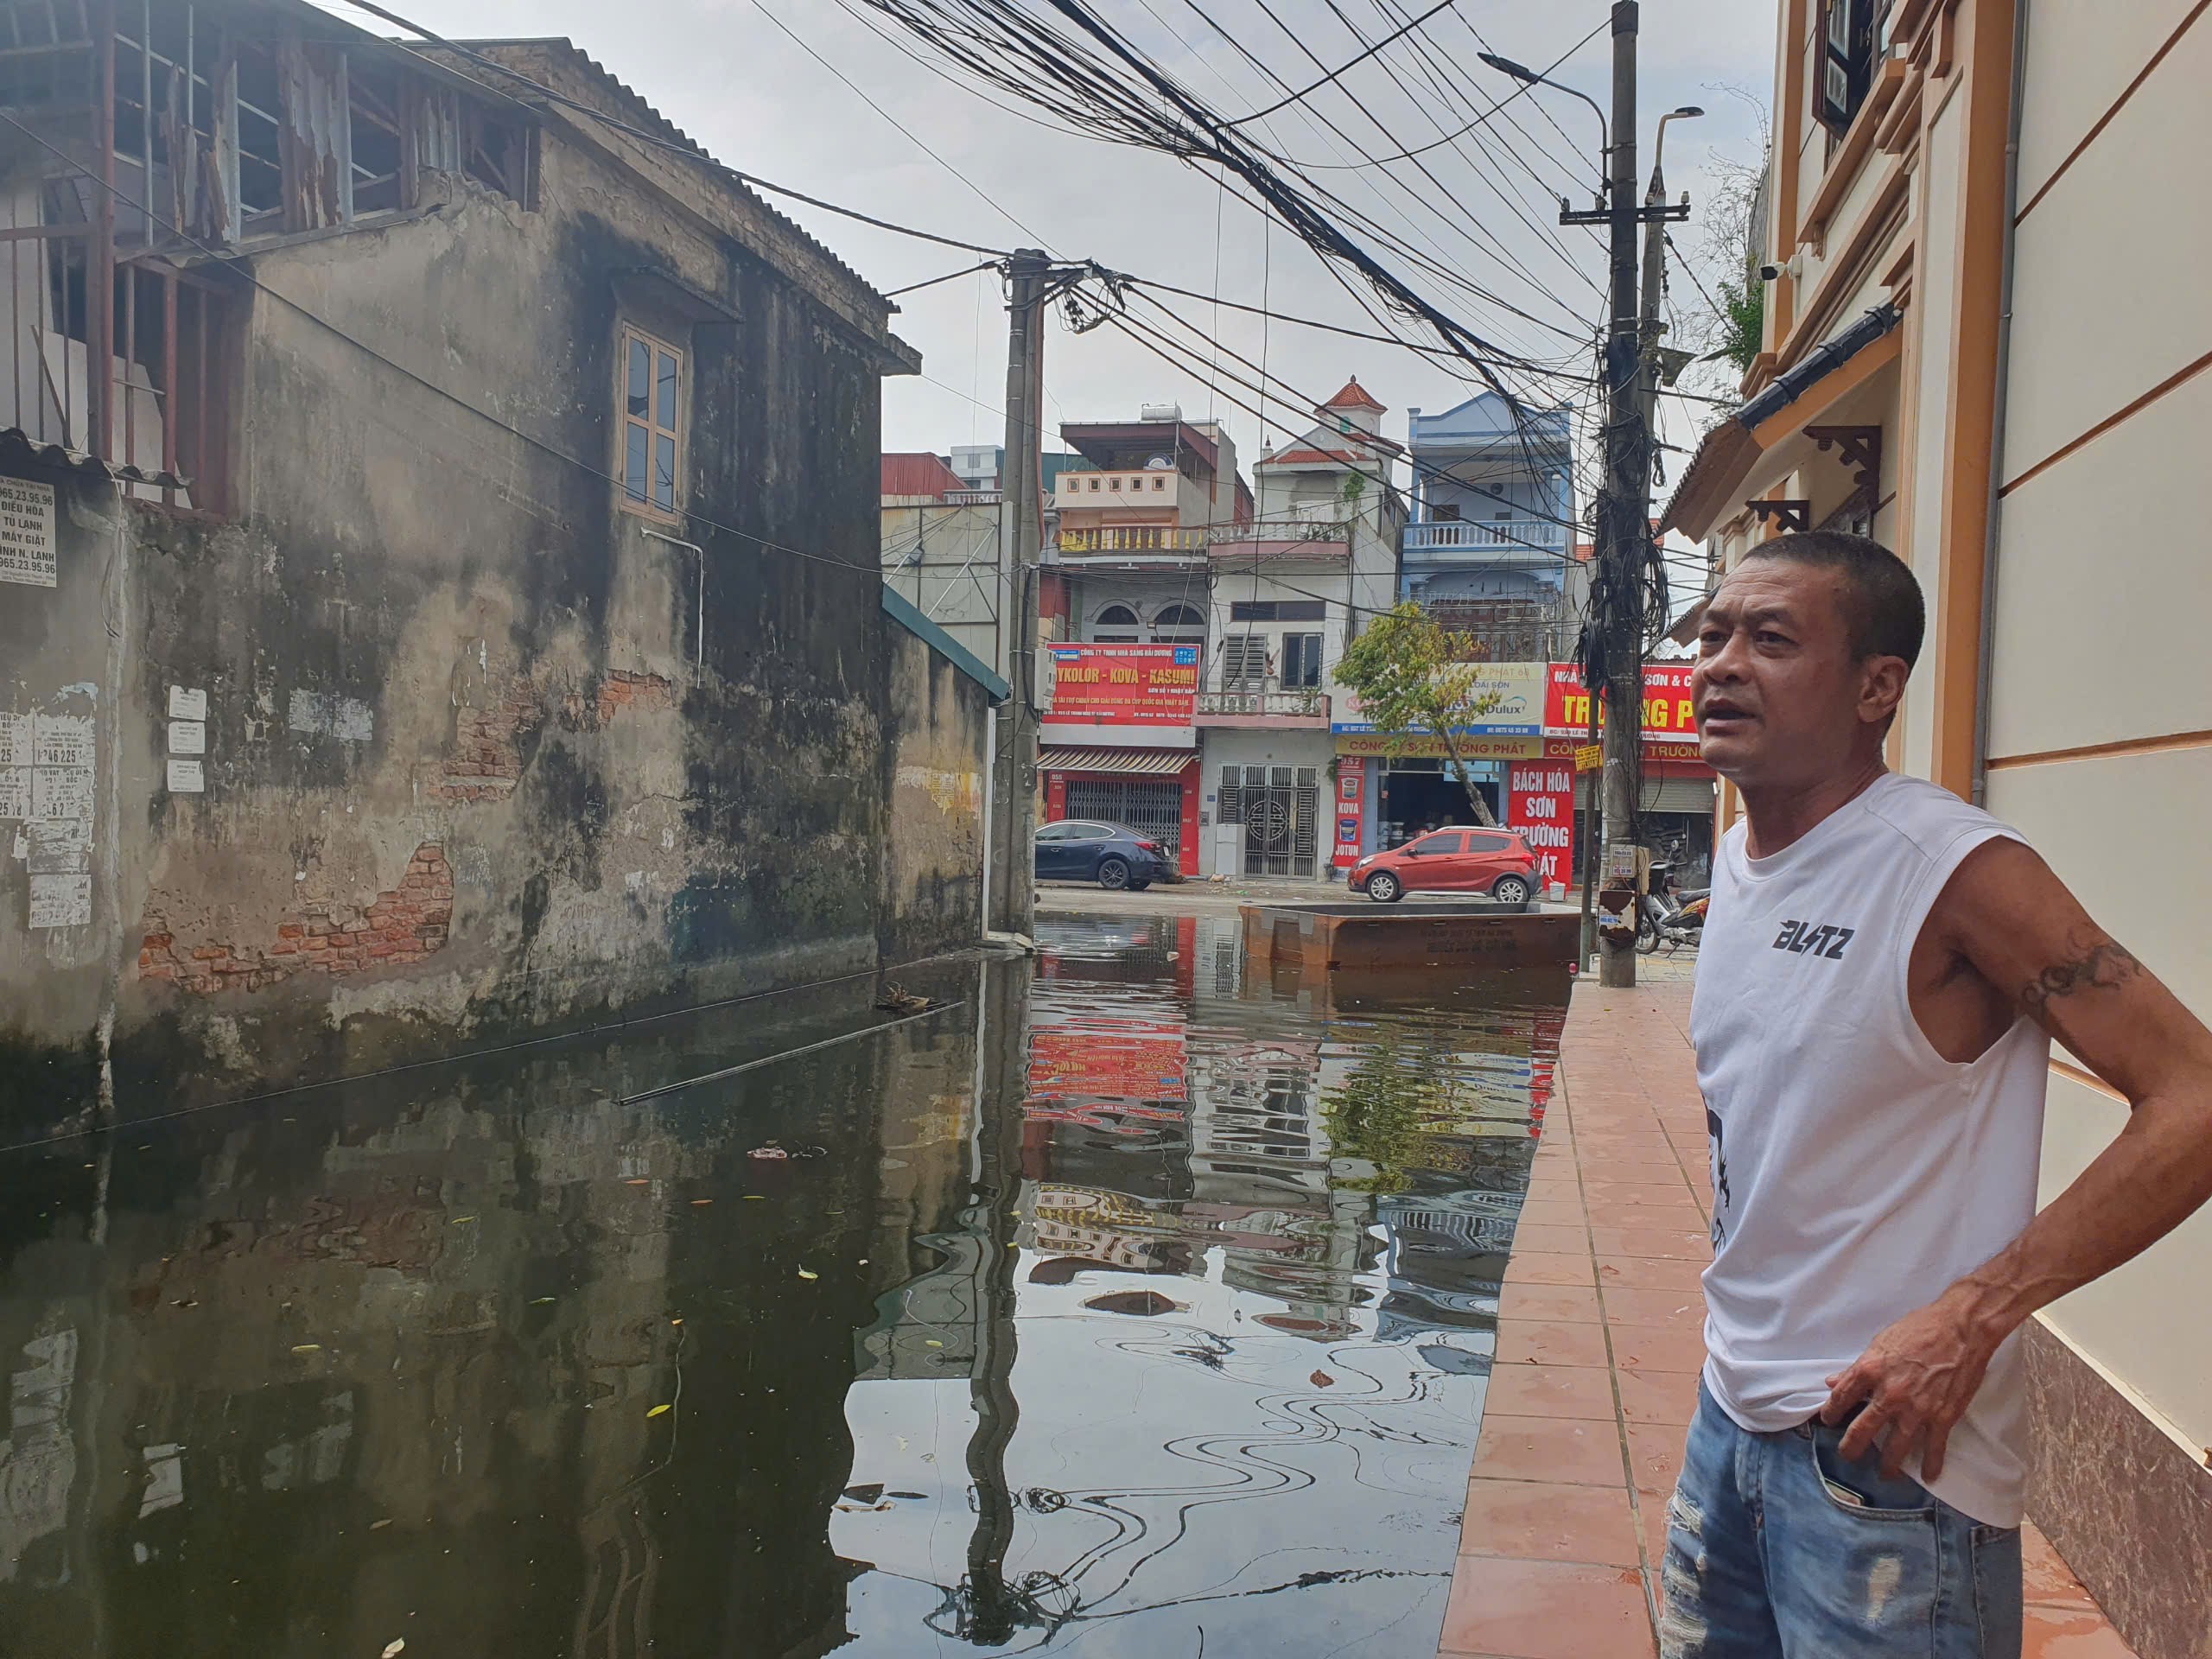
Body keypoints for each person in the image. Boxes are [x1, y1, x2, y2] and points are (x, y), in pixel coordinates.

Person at [1665, 531, 2212, 1658]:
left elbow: (2195, 1097)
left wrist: (1972, 1317)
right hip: (1729, 1423)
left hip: (1887, 1471)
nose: (1721, 662)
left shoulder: (1953, 873)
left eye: (1771, 639)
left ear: (1878, 687)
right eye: (1713, 633)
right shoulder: (1736, 858)